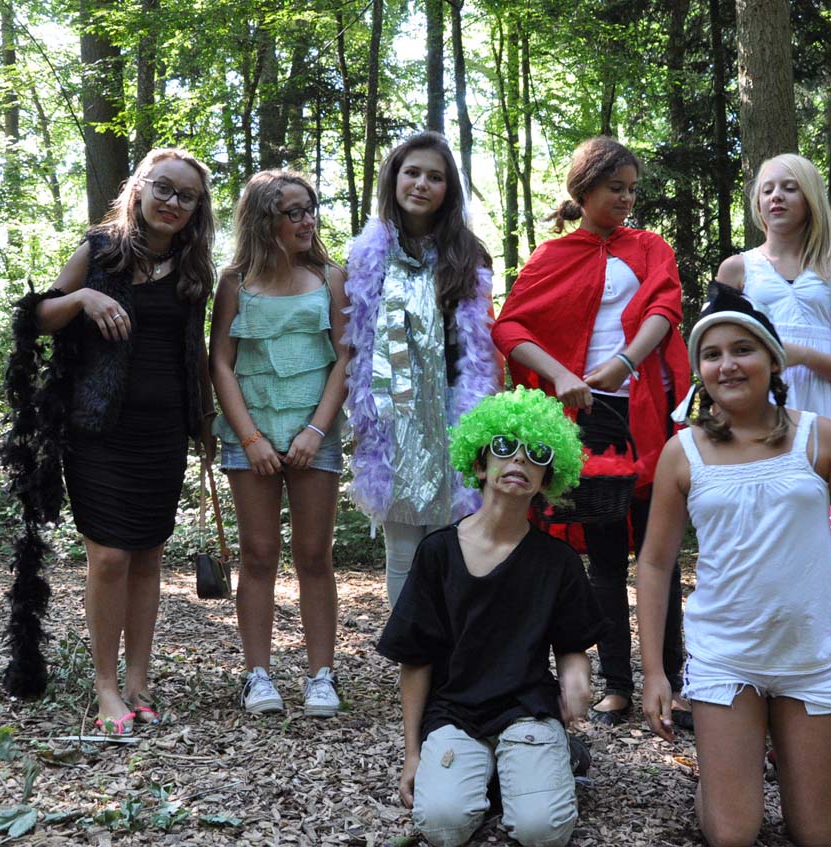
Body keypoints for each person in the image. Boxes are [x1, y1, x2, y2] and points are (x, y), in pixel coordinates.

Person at [636, 283, 831, 847]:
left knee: (818, 835)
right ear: (700, 371)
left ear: (774, 359)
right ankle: (724, 782)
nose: (727, 364)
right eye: (712, 354)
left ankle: (761, 764)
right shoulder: (683, 452)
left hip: (809, 653)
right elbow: (654, 563)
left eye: (742, 349)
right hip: (725, 654)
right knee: (733, 834)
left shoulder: (820, 439)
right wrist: (655, 671)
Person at [2, 148, 217, 733]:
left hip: (163, 432)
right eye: (164, 188)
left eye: (187, 196)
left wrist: (205, 420)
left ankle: (138, 681)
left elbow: (194, 350)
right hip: (97, 429)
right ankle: (105, 689)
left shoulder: (194, 269)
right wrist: (83, 298)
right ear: (140, 188)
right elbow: (37, 316)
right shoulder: (99, 252)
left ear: (197, 209)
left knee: (148, 555)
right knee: (110, 556)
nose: (173, 202)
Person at [491, 135, 691, 727]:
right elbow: (510, 327)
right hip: (588, 419)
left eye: (632, 189)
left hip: (648, 413)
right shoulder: (551, 256)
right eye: (615, 188)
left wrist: (625, 362)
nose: (627, 199)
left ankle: (671, 682)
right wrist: (559, 376)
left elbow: (665, 309)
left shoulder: (650, 247)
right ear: (583, 191)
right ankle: (619, 685)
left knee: (659, 552)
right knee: (604, 557)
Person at [377, 387, 607, 847]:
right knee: (442, 827)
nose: (519, 459)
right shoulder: (438, 553)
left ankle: (546, 759)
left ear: (546, 478)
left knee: (543, 832)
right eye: (504, 446)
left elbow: (571, 646)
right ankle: (506, 772)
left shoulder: (558, 562)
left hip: (528, 711)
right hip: (453, 712)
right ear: (481, 464)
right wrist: (412, 755)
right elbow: (415, 659)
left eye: (537, 453)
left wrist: (576, 678)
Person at [210, 171, 349, 717]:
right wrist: (250, 437)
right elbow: (220, 363)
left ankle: (321, 676)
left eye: (310, 208)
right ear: (264, 220)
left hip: (316, 435)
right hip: (251, 436)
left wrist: (315, 430)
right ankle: (257, 675)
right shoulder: (235, 283)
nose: (307, 220)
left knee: (314, 555)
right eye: (294, 211)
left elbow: (345, 357)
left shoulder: (331, 278)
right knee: (259, 554)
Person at [343, 131, 500, 607]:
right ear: (394, 179)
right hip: (392, 419)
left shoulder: (468, 254)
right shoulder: (366, 256)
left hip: (453, 412)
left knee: (451, 544)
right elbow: (355, 343)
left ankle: (450, 648)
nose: (421, 184)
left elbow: (480, 345)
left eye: (435, 177)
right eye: (412, 173)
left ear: (448, 189)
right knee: (403, 552)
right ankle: (409, 650)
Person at [716, 153, 831, 451]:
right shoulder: (736, 269)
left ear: (810, 199)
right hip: (756, 406)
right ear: (758, 202)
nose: (776, 196)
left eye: (790, 188)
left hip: (822, 410)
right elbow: (717, 358)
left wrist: (804, 356)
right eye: (767, 190)